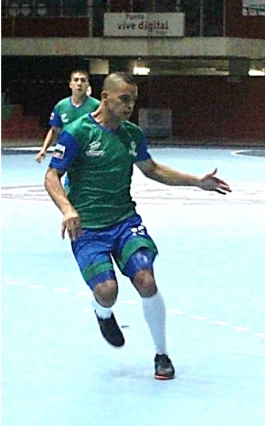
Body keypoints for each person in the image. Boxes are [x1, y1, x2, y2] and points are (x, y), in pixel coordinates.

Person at [44, 72, 231, 380]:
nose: (130, 106)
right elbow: (52, 176)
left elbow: (152, 169)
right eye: (123, 99)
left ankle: (162, 354)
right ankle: (102, 312)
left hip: (124, 223)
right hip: (88, 229)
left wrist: (197, 182)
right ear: (105, 97)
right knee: (107, 292)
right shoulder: (77, 133)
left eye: (133, 99)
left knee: (145, 279)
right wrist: (67, 209)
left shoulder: (131, 135)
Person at [35, 69, 99, 164]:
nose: (79, 83)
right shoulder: (61, 106)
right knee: (53, 174)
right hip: (65, 149)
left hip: (88, 151)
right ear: (70, 84)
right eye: (76, 80)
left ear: (88, 85)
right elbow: (54, 130)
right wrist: (43, 149)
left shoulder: (97, 106)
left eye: (83, 80)